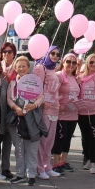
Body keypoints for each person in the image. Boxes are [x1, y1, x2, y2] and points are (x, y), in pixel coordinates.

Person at [8, 56, 47, 185]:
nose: (21, 68)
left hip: (33, 118)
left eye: (24, 66)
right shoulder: (13, 83)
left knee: (32, 148)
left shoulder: (34, 81)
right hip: (18, 118)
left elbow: (41, 97)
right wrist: (15, 107)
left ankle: (31, 175)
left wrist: (34, 105)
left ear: (28, 67)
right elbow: (9, 98)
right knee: (19, 148)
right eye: (19, 66)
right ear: (15, 68)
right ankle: (20, 174)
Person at [33, 46, 62, 179]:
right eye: (53, 53)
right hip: (44, 108)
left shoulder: (54, 69)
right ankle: (40, 168)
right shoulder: (41, 67)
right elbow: (36, 87)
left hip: (55, 108)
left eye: (57, 54)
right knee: (43, 140)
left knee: (50, 140)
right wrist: (41, 102)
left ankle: (47, 166)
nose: (55, 56)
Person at [52, 53, 81, 173]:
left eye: (74, 63)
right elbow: (52, 92)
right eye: (68, 62)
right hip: (62, 113)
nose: (71, 65)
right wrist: (58, 106)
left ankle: (63, 161)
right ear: (63, 62)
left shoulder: (75, 78)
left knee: (68, 138)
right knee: (60, 138)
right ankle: (55, 163)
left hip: (73, 113)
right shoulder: (58, 76)